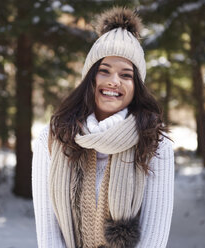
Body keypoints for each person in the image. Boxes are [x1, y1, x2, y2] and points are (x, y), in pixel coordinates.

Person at [32, 7, 174, 248]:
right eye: (104, 71)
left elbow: (154, 236)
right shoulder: (54, 137)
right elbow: (48, 230)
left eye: (126, 75)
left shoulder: (154, 142)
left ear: (136, 86)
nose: (113, 81)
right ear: (90, 78)